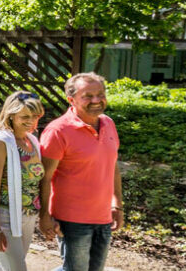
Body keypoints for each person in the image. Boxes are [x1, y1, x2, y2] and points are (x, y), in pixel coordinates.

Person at [39, 73, 123, 271]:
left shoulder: (108, 123)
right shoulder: (58, 130)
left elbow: (113, 167)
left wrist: (117, 205)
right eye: (87, 96)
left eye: (100, 94)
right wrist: (44, 216)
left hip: (103, 217)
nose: (96, 100)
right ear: (71, 100)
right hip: (72, 219)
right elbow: (44, 177)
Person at [0, 91, 45, 271]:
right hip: (5, 216)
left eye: (35, 116)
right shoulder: (1, 143)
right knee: (16, 268)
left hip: (28, 215)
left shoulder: (32, 141)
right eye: (25, 116)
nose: (31, 121)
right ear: (11, 116)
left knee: (4, 267)